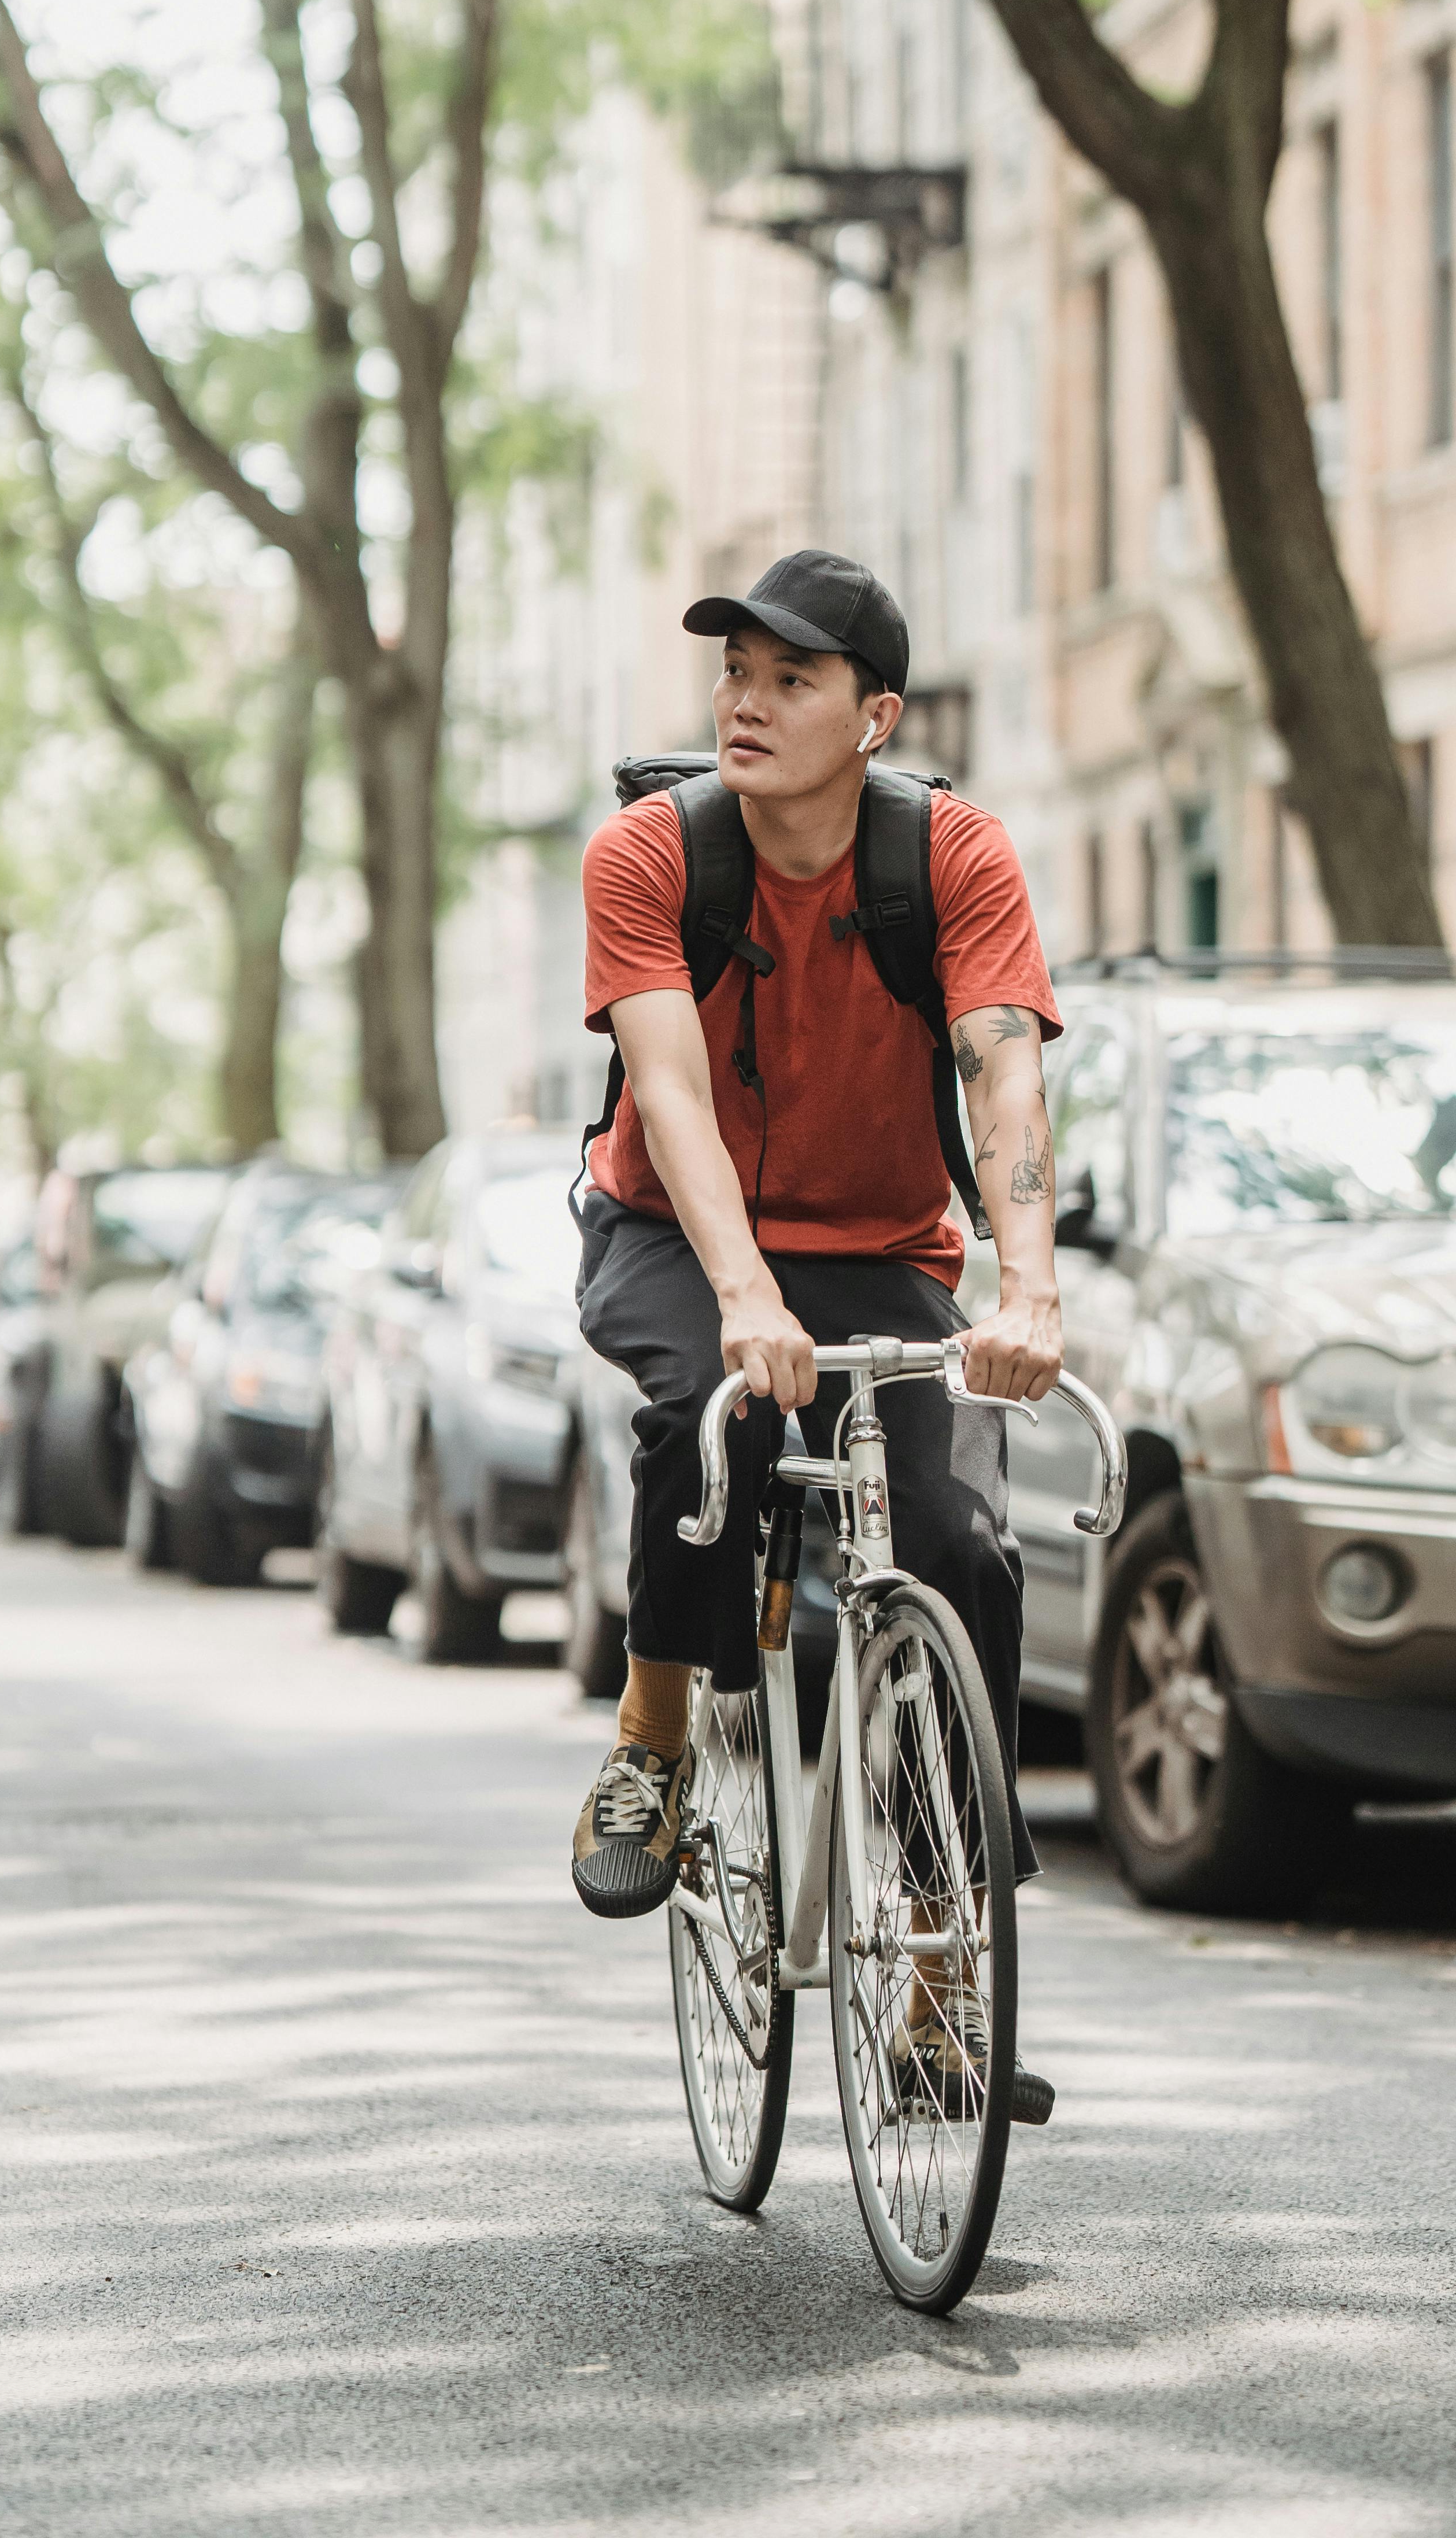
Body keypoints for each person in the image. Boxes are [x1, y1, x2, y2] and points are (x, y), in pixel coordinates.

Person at [568, 548, 1064, 2089]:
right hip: (669, 1227)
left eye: (793, 679)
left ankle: (936, 1959)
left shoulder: (954, 859)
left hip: (881, 1248)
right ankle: (654, 1739)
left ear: (875, 716)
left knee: (957, 1542)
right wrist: (740, 1296)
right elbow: (671, 1090)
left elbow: (1005, 1074)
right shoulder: (651, 855)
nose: (748, 702)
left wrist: (1027, 1284)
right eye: (736, 673)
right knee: (700, 1425)